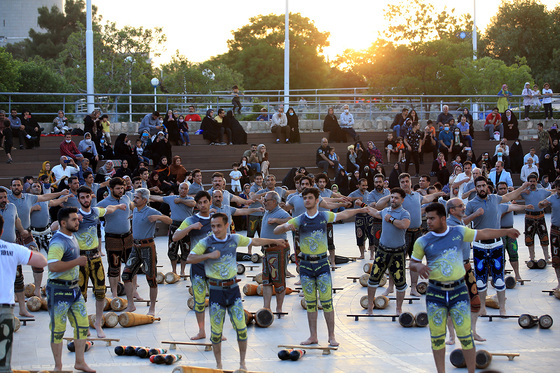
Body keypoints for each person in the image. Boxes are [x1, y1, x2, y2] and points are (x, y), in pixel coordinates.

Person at [410, 202, 520, 373]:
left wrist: (506, 232)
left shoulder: (458, 232)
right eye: (427, 219)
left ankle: (471, 371)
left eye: (432, 218)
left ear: (443, 218)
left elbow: (483, 233)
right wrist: (419, 267)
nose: (428, 222)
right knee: (437, 338)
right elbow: (413, 263)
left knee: (466, 337)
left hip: (458, 291)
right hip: (435, 294)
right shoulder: (422, 241)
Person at [274, 187, 370, 346]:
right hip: (305, 266)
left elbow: (343, 214)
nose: (307, 201)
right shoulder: (299, 219)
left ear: (317, 200)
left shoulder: (323, 216)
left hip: (321, 264)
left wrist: (360, 209)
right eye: (305, 198)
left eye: (310, 198)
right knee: (310, 303)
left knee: (326, 302)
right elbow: (278, 230)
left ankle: (331, 336)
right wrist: (284, 227)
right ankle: (313, 336)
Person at [188, 213, 284, 371]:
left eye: (219, 226)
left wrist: (274, 240)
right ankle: (219, 365)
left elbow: (255, 240)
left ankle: (242, 363)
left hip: (233, 290)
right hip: (216, 291)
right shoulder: (207, 242)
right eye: (212, 226)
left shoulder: (234, 239)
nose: (215, 229)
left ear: (227, 225)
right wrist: (208, 255)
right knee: (216, 332)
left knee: (241, 327)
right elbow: (190, 258)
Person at [465, 177, 529, 319]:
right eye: (479, 186)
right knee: (480, 279)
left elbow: (509, 197)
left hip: (496, 245)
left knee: (499, 278)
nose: (482, 188)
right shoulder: (471, 204)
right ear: (475, 188)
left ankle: (502, 308)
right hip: (479, 245)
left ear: (487, 187)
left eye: (484, 185)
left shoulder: (495, 198)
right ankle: (482, 307)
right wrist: (475, 214)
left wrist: (523, 187)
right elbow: (463, 221)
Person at [375, 173, 444, 296]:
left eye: (407, 181)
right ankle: (391, 287)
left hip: (417, 232)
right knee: (394, 261)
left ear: (411, 182)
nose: (405, 184)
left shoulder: (417, 195)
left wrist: (438, 194)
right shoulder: (397, 198)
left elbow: (428, 198)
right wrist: (390, 196)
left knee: (416, 261)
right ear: (399, 184)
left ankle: (413, 288)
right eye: (402, 182)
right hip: (402, 232)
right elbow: (378, 205)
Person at [47, 207, 95, 373]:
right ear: (63, 222)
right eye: (74, 219)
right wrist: (77, 262)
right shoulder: (57, 241)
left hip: (74, 289)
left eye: (77, 218)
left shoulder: (71, 236)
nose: (77, 221)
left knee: (82, 326)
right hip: (58, 290)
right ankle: (58, 367)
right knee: (58, 329)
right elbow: (53, 265)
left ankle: (80, 362)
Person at [0, 214, 47, 373]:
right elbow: (41, 261)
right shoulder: (11, 249)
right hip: (4, 309)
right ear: (2, 231)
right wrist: (31, 249)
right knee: (3, 362)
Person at [123, 188, 171, 315]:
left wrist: (158, 216)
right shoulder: (136, 210)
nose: (134, 200)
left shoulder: (151, 211)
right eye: (134, 197)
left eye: (137, 198)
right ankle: (131, 305)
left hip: (148, 247)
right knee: (126, 275)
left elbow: (169, 220)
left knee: (151, 278)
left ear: (144, 200)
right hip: (135, 247)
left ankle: (152, 308)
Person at [172, 191, 213, 340]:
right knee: (199, 301)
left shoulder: (216, 219)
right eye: (199, 203)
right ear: (196, 204)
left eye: (205, 202)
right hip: (198, 266)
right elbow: (175, 236)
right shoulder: (191, 220)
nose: (202, 205)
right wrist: (190, 228)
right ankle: (201, 331)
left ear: (210, 201)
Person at [364, 187, 410, 315]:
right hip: (382, 251)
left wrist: (391, 219)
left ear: (402, 200)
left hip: (398, 253)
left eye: (396, 198)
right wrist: (362, 206)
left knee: (400, 282)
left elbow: (404, 225)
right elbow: (374, 212)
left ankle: (399, 308)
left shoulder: (404, 213)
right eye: (392, 197)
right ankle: (370, 307)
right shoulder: (385, 210)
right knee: (373, 279)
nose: (393, 200)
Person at [444, 198, 482, 344]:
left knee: (475, 301)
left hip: (466, 266)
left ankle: (472, 331)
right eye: (460, 206)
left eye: (463, 205)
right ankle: (452, 336)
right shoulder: (447, 225)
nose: (463, 208)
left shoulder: (461, 222)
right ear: (452, 210)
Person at [96, 177, 135, 298]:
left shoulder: (126, 198)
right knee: (114, 267)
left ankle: (134, 292)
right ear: (111, 189)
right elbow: (94, 214)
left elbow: (132, 207)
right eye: (118, 188)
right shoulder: (103, 203)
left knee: (132, 265)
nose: (121, 191)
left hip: (127, 236)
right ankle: (114, 293)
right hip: (112, 238)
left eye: (122, 188)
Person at [149, 183, 195, 275]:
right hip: (174, 225)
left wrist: (180, 200)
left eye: (185, 189)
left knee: (185, 250)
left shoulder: (190, 199)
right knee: (172, 249)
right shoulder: (172, 198)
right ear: (178, 189)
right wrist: (147, 195)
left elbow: (193, 203)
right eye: (182, 188)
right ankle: (174, 271)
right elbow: (159, 198)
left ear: (188, 190)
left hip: (186, 227)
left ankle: (182, 271)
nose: (183, 190)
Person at [496, 182, 527, 282]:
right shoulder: (496, 202)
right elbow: (496, 218)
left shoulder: (509, 201)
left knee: (514, 252)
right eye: (500, 189)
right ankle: (500, 275)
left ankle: (517, 275)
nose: (503, 190)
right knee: (501, 255)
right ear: (497, 190)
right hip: (500, 231)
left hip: (511, 229)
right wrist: (507, 210)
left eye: (504, 188)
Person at [521, 173, 552, 263]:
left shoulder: (542, 191)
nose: (532, 183)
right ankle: (531, 257)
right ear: (528, 182)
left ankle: (547, 257)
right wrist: (523, 190)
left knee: (544, 237)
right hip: (529, 217)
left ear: (536, 181)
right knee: (529, 237)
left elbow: (552, 192)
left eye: (533, 181)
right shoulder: (525, 192)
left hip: (540, 216)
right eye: (530, 181)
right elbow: (515, 194)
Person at [538, 178, 560, 289]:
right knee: (556, 257)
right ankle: (559, 282)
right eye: (558, 189)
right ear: (555, 189)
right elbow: (541, 204)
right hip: (556, 230)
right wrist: (542, 203)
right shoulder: (552, 198)